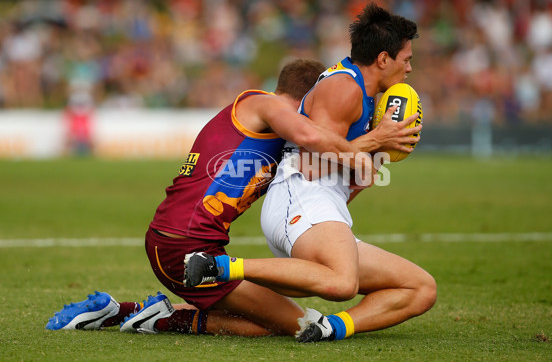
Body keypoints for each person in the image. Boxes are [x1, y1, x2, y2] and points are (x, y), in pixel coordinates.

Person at [46, 57, 420, 337]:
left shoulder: (283, 142)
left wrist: (364, 162)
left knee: (277, 318)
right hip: (185, 244)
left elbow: (319, 174)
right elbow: (312, 139)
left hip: (186, 240)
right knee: (293, 326)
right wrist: (374, 139)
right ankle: (160, 318)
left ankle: (122, 311)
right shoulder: (265, 104)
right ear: (305, 98)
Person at [183, 2, 436, 342]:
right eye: (406, 59)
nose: (409, 69)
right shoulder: (343, 88)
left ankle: (330, 328)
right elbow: (310, 162)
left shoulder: (370, 96)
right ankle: (218, 267)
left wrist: (378, 156)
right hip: (301, 195)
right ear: (383, 59)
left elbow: (349, 173)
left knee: (420, 288)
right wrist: (375, 140)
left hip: (322, 205)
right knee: (343, 282)